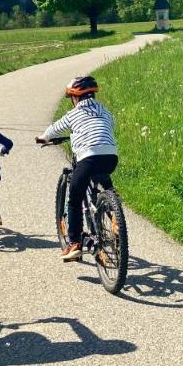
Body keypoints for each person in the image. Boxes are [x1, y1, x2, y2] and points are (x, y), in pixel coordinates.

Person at [36, 75, 117, 262]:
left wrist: (44, 137)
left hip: (87, 158)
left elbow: (55, 128)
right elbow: (111, 124)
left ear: (75, 97)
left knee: (74, 198)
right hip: (110, 156)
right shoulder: (104, 110)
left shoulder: (74, 114)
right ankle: (114, 218)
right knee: (104, 182)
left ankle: (74, 243)